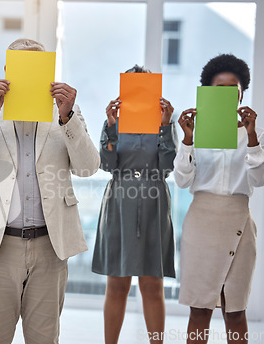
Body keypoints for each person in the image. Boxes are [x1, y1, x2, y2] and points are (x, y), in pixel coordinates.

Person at [0, 38, 100, 344]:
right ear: (7, 70)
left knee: (45, 338)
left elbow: (87, 167)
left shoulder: (66, 112)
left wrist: (67, 118)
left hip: (50, 245)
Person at [174, 54, 264, 344]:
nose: (227, 94)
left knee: (235, 311)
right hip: (201, 222)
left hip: (239, 221)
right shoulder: (196, 131)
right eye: (219, 88)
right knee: (200, 310)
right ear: (207, 92)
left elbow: (260, 179)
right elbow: (182, 180)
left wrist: (251, 138)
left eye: (233, 88)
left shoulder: (257, 134)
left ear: (241, 93)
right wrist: (188, 139)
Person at [91, 65, 177, 344]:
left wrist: (165, 126)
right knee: (117, 282)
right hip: (119, 200)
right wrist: (112, 126)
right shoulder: (113, 122)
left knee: (152, 283)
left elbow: (167, 165)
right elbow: (106, 164)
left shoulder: (165, 122)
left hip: (154, 201)